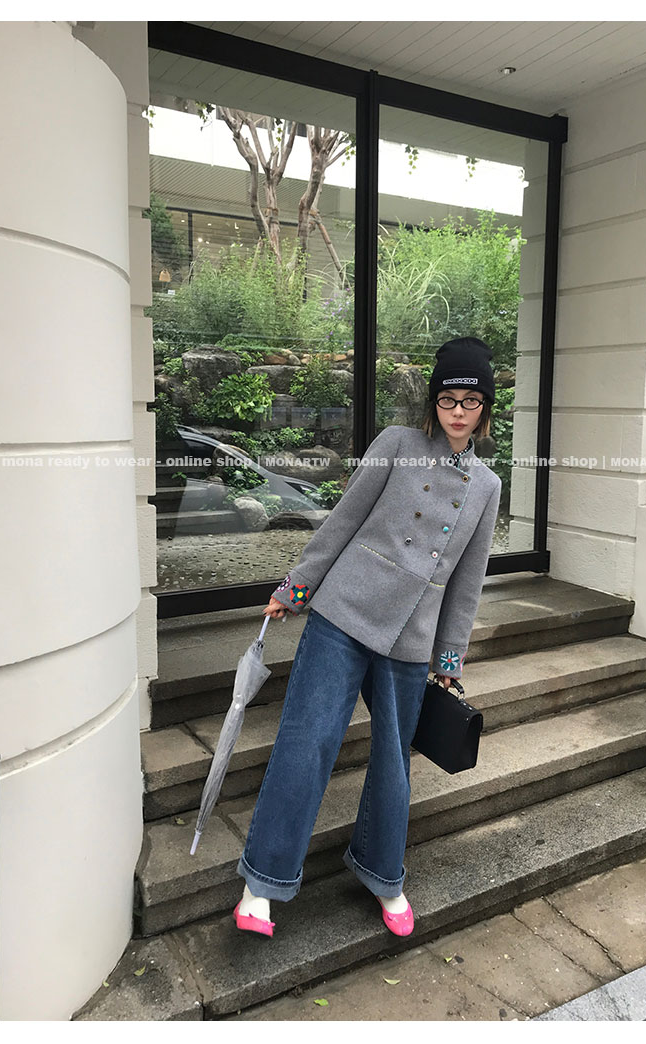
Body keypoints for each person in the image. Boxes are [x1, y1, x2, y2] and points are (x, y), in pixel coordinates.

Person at [232, 337, 502, 939]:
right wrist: (296, 589)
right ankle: (262, 885)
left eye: (470, 401)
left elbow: (467, 581)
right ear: (433, 402)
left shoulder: (486, 486)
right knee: (308, 740)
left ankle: (383, 874)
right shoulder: (396, 444)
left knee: (392, 761)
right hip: (344, 611)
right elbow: (343, 521)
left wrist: (450, 658)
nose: (458, 411)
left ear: (485, 408)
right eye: (448, 399)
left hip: (411, 635)